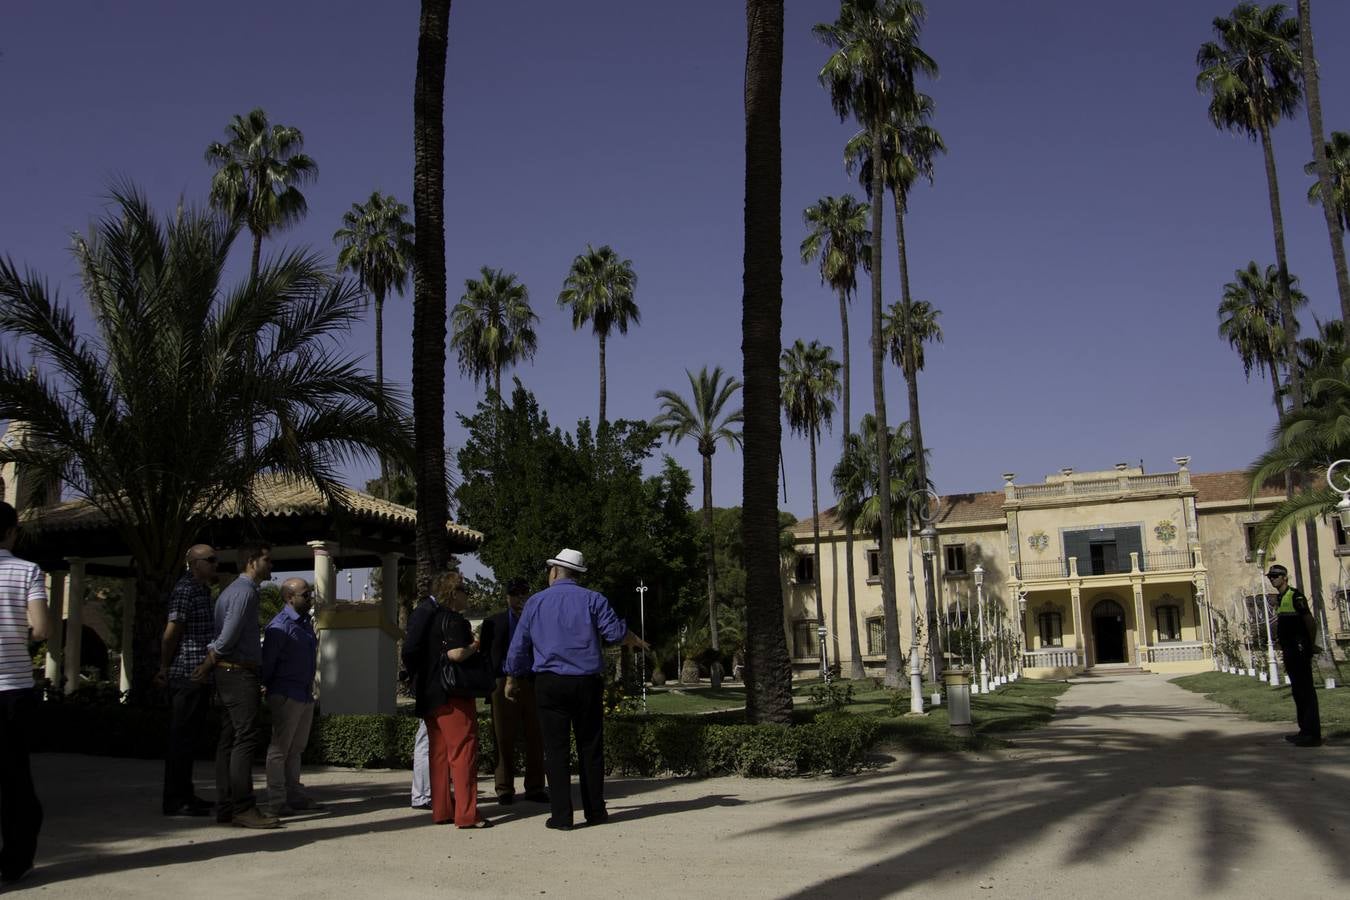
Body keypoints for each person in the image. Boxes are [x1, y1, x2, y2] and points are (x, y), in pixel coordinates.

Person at [504, 548, 648, 831]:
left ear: (555, 571)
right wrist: (629, 635)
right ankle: (595, 811)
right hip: (586, 682)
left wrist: (511, 677)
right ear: (577, 574)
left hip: (549, 682)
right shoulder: (594, 599)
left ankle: (561, 816)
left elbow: (519, 645)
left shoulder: (535, 602)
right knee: (590, 748)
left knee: (555, 750)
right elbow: (614, 634)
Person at [193, 542, 279, 829]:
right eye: (267, 560)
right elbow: (227, 636)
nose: (271, 565)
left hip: (230, 672)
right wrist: (208, 662)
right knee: (245, 738)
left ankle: (227, 806)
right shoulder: (244, 593)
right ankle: (243, 807)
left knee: (228, 741)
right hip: (238, 673)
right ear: (252, 561)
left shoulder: (233, 591)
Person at [406, 571, 490, 828]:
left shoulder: (427, 618)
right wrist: (475, 645)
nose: (468, 595)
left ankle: (442, 810)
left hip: (430, 694)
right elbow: (455, 654)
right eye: (464, 590)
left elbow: (412, 652)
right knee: (463, 752)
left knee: (439, 755)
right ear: (454, 594)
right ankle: (467, 814)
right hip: (453, 695)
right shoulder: (454, 620)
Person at [0, 501, 48, 885]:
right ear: (12, 532)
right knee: (15, 778)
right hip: (14, 688)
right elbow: (41, 628)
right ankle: (14, 861)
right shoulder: (26, 570)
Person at [155, 544, 219, 817]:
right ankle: (175, 798)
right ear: (194, 564)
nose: (216, 564)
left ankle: (186, 793)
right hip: (187, 673)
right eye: (210, 560)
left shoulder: (202, 590)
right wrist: (164, 667)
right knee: (181, 739)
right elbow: (172, 631)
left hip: (200, 674)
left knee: (190, 739)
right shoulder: (185, 590)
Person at [479, 577, 546, 806]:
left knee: (535, 737)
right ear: (507, 596)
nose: (519, 598)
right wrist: (490, 687)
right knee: (502, 738)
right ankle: (504, 788)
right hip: (501, 684)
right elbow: (486, 657)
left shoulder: (538, 621)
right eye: (515, 594)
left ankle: (535, 787)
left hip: (531, 681)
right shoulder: (493, 622)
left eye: (523, 594)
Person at [261, 577, 319, 816]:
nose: (309, 598)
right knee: (279, 750)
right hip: (286, 694)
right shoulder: (279, 626)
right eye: (305, 595)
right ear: (289, 597)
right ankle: (277, 799)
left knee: (296, 749)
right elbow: (268, 664)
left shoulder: (305, 623)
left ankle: (294, 793)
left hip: (304, 694)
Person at [1267, 564, 1322, 747]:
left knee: (1306, 691)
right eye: (1270, 577)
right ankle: (1304, 730)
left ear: (1284, 577)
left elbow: (1310, 621)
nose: (1272, 579)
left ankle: (1312, 734)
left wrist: (1311, 644)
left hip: (1299, 649)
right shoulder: (1281, 598)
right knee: (1298, 691)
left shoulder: (1295, 596)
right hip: (1289, 649)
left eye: (1275, 576)